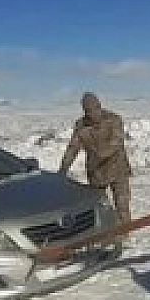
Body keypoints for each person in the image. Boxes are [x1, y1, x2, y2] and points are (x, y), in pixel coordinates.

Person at [58, 91, 132, 224]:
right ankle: (103, 235)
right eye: (89, 111)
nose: (93, 113)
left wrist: (99, 155)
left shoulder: (114, 119)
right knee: (98, 208)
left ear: (100, 106)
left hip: (118, 170)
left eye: (95, 108)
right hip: (97, 173)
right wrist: (63, 169)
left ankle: (125, 233)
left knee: (122, 206)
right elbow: (73, 148)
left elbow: (117, 142)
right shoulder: (81, 126)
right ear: (85, 111)